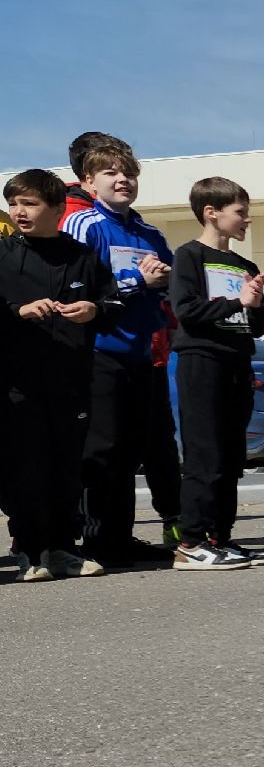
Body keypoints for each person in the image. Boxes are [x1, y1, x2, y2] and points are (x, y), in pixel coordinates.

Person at [61, 133, 185, 549]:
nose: (123, 180)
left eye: (129, 173)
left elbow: (167, 290)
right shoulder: (83, 223)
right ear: (88, 182)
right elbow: (75, 287)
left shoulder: (150, 232)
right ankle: (96, 539)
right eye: (110, 173)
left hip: (142, 355)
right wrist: (137, 280)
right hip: (98, 352)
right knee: (103, 449)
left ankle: (119, 536)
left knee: (132, 449)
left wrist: (164, 284)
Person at [0, 169, 119, 579]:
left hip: (71, 379)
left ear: (55, 208)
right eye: (14, 203)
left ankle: (64, 549)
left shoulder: (82, 256)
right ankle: (29, 552)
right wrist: (19, 312)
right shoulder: (3, 254)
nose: (19, 212)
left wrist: (94, 310)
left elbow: (113, 302)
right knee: (25, 467)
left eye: (29, 203)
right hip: (18, 383)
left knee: (68, 467)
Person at [169, 177, 264, 570]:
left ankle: (221, 537)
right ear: (211, 213)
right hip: (202, 362)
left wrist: (256, 304)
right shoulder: (189, 256)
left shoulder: (244, 264)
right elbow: (186, 310)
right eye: (240, 212)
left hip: (237, 362)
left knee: (232, 456)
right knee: (204, 453)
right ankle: (191, 542)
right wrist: (236, 300)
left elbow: (257, 327)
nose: (247, 220)